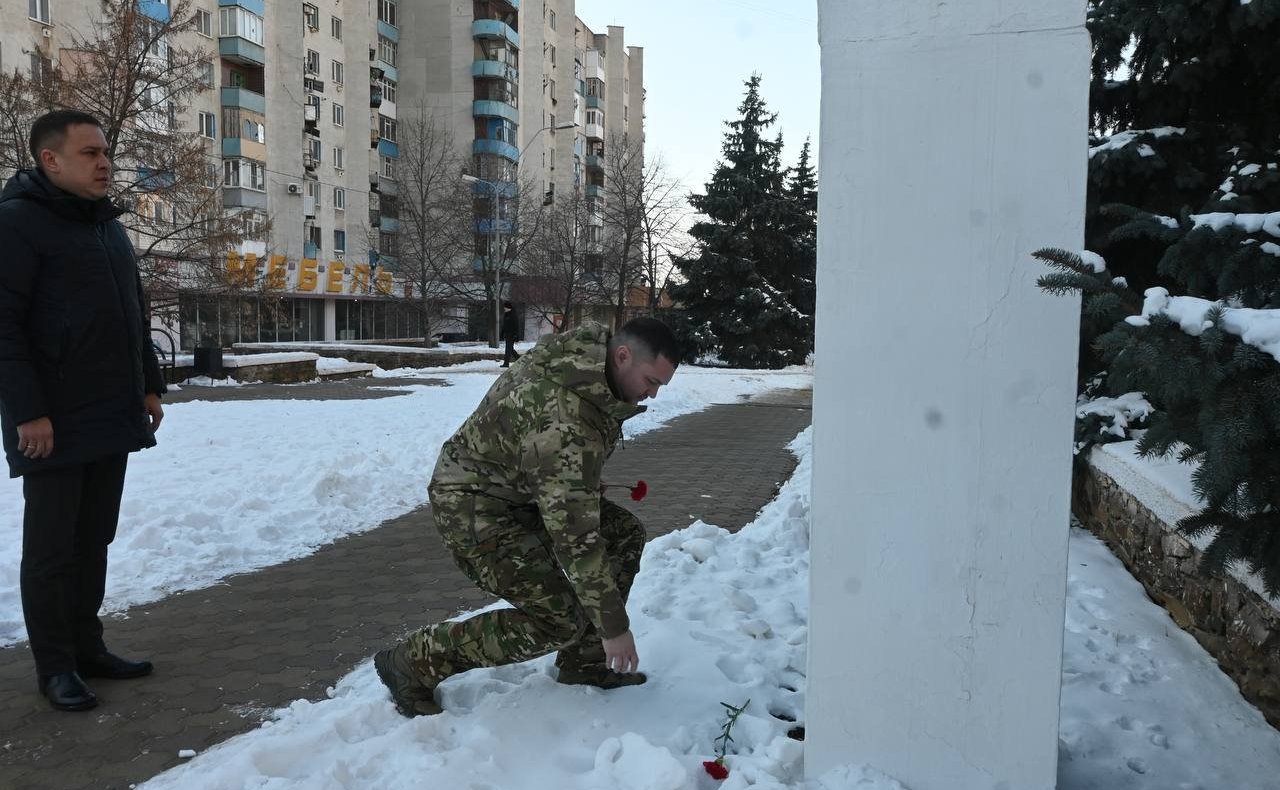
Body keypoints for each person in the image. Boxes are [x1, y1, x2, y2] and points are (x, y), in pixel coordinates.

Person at [374, 317, 680, 717]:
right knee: (559, 620)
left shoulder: (585, 365)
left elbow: (543, 454)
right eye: (651, 381)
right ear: (622, 355)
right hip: (473, 509)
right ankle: (413, 661)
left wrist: (568, 480)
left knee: (623, 533)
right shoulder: (565, 418)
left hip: (515, 495)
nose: (652, 395)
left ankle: (585, 663)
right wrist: (615, 628)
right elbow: (576, 541)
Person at [0, 110, 167, 712]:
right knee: (51, 550)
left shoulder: (107, 227)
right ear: (51, 160)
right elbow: (5, 329)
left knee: (93, 538)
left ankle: (88, 648)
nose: (105, 163)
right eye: (91, 154)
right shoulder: (17, 224)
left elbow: (133, 314)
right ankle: (55, 668)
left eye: (106, 153)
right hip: (51, 421)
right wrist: (28, 412)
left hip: (110, 411)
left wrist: (149, 386)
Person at [500, 301, 520, 367]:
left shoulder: (513, 315)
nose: (504, 309)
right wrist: (502, 334)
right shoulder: (506, 315)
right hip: (507, 334)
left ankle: (506, 363)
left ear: (508, 308)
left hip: (512, 334)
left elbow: (516, 326)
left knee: (508, 349)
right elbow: (504, 325)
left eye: (505, 307)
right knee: (510, 349)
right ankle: (519, 359)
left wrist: (516, 335)